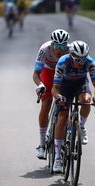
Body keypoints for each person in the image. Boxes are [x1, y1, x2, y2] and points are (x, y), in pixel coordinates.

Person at [51, 40, 95, 172]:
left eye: (83, 60)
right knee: (62, 116)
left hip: (81, 83)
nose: (81, 63)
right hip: (64, 85)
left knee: (86, 100)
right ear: (71, 55)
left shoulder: (90, 62)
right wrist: (59, 98)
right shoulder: (63, 62)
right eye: (77, 60)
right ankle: (57, 158)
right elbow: (55, 89)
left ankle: (81, 126)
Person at [33, 29, 70, 159]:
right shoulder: (45, 49)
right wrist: (40, 85)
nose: (60, 49)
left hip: (64, 74)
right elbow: (36, 74)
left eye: (63, 46)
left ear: (67, 45)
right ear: (52, 44)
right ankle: (42, 144)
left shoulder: (70, 51)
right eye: (57, 46)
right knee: (46, 102)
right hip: (48, 73)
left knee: (66, 104)